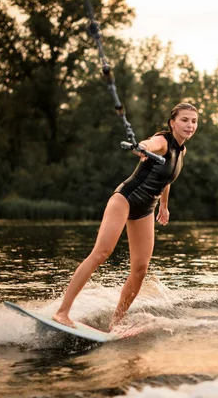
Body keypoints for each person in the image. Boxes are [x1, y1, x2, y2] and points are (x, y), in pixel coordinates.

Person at [53, 102, 199, 331]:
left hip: (146, 208)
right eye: (184, 120)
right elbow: (150, 144)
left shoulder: (182, 151)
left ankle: (116, 323)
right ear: (172, 123)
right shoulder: (162, 141)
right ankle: (62, 313)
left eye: (193, 121)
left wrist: (164, 205)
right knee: (101, 253)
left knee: (140, 269)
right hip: (126, 198)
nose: (189, 125)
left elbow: (166, 179)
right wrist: (142, 147)